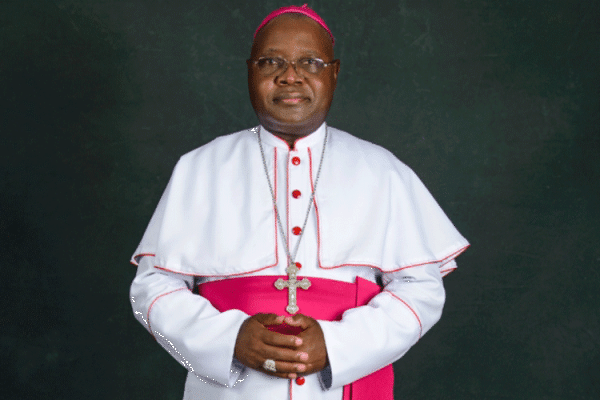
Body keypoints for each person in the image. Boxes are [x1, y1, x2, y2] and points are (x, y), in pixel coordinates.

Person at [129, 4, 469, 400]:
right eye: (271, 61)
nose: (290, 76)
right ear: (250, 71)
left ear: (334, 73)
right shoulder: (199, 168)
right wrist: (229, 339)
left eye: (310, 61)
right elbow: (152, 288)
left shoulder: (382, 170)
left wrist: (339, 344)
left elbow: (421, 290)